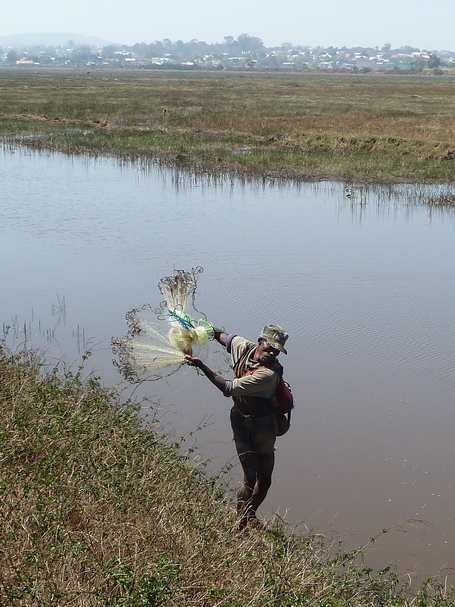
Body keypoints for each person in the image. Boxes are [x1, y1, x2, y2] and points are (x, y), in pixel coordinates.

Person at [185, 324, 289, 529]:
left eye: (276, 350)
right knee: (249, 476)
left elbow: (228, 388)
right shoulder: (243, 347)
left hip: (264, 425)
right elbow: (220, 335)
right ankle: (240, 523)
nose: (272, 352)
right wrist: (199, 328)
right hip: (240, 419)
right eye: (269, 347)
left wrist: (201, 365)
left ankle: (250, 514)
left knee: (265, 480)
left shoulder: (268, 374)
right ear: (260, 341)